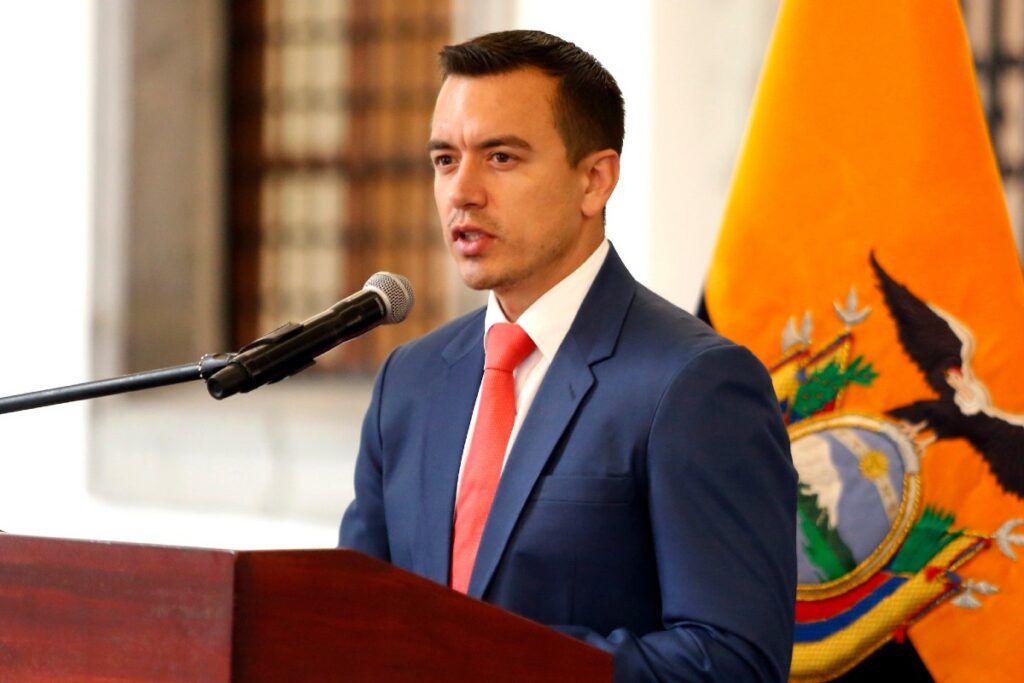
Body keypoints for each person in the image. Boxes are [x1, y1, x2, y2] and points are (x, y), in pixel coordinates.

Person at [340, 29, 797, 682]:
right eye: (445, 159)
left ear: (594, 180)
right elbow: (352, 620)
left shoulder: (694, 384)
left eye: (500, 157)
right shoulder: (409, 381)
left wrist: (482, 658)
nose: (462, 191)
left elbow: (731, 661)